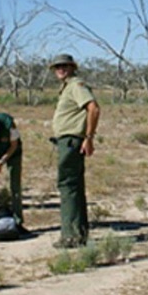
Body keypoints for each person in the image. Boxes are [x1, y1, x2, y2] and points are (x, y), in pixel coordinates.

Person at [49, 54, 100, 248]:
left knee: (68, 186)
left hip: (72, 141)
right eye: (57, 66)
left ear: (72, 68)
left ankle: (71, 236)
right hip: (67, 141)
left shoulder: (76, 86)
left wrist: (89, 138)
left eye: (64, 66)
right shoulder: (67, 88)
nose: (60, 69)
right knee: (73, 186)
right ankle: (78, 234)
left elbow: (93, 109)